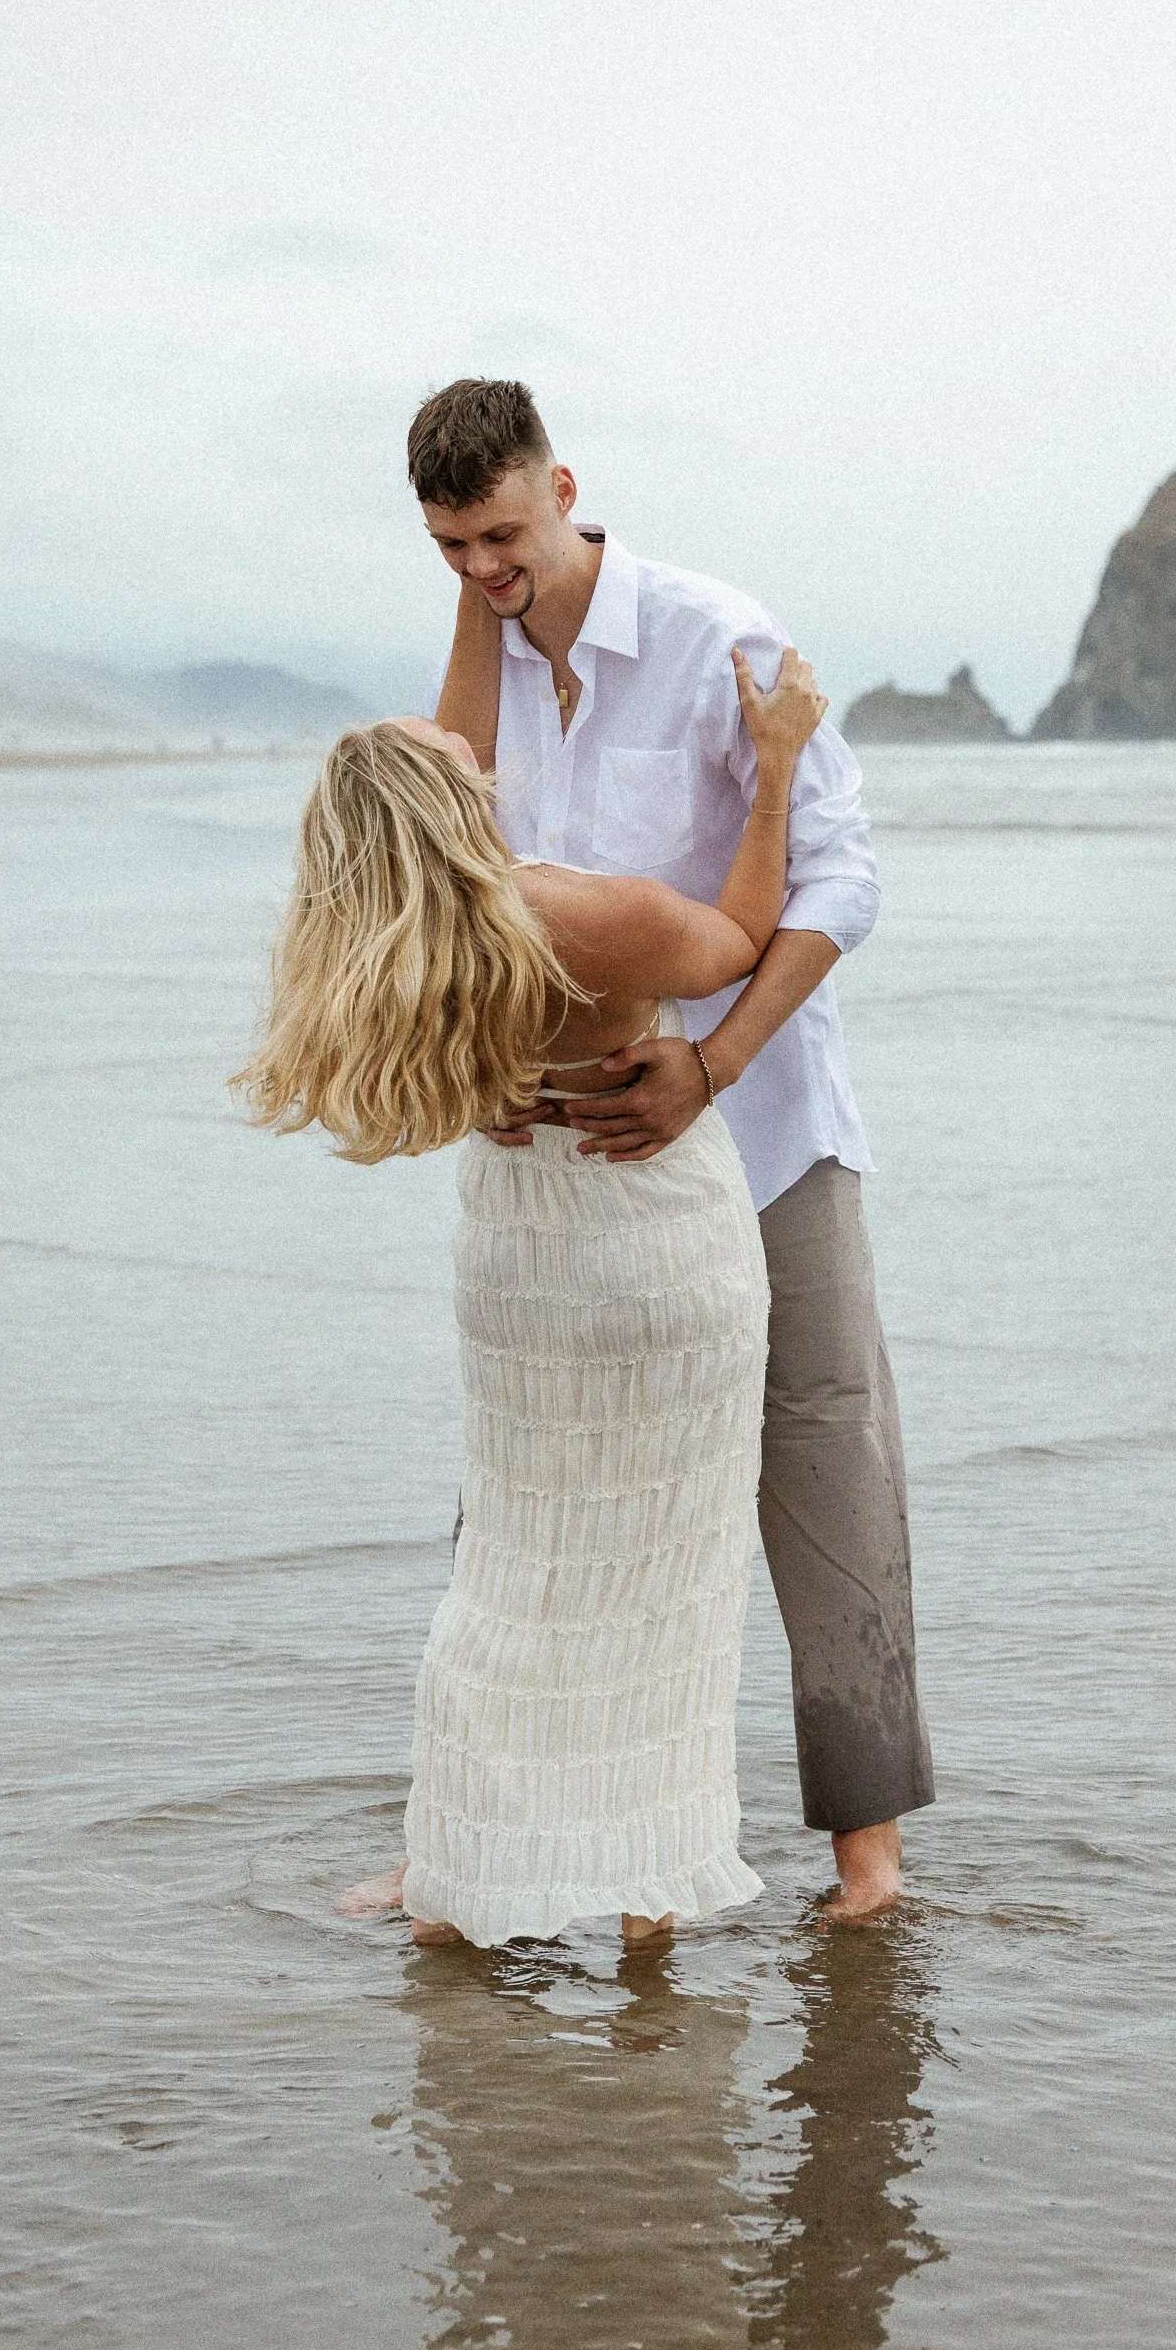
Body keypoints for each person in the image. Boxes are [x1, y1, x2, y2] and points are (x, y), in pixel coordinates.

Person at [407, 375, 934, 1920]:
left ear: (564, 488)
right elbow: (459, 897)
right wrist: (484, 1059)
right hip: (560, 1167)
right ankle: (476, 1848)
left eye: (501, 537)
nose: (485, 574)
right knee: (525, 1491)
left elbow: (842, 879)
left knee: (824, 1468)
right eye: (450, 550)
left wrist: (710, 1066)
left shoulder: (719, 638)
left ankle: (868, 1862)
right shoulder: (478, 660)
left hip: (755, 1134)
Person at [235, 647, 829, 1949]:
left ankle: (459, 1886)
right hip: (652, 1249)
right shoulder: (579, 914)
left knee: (512, 1575)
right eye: (457, 753)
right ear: (448, 804)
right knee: (667, 1575)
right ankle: (644, 1913)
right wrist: (773, 769)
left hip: (516, 1267)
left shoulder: (408, 956)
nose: (479, 745)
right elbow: (738, 938)